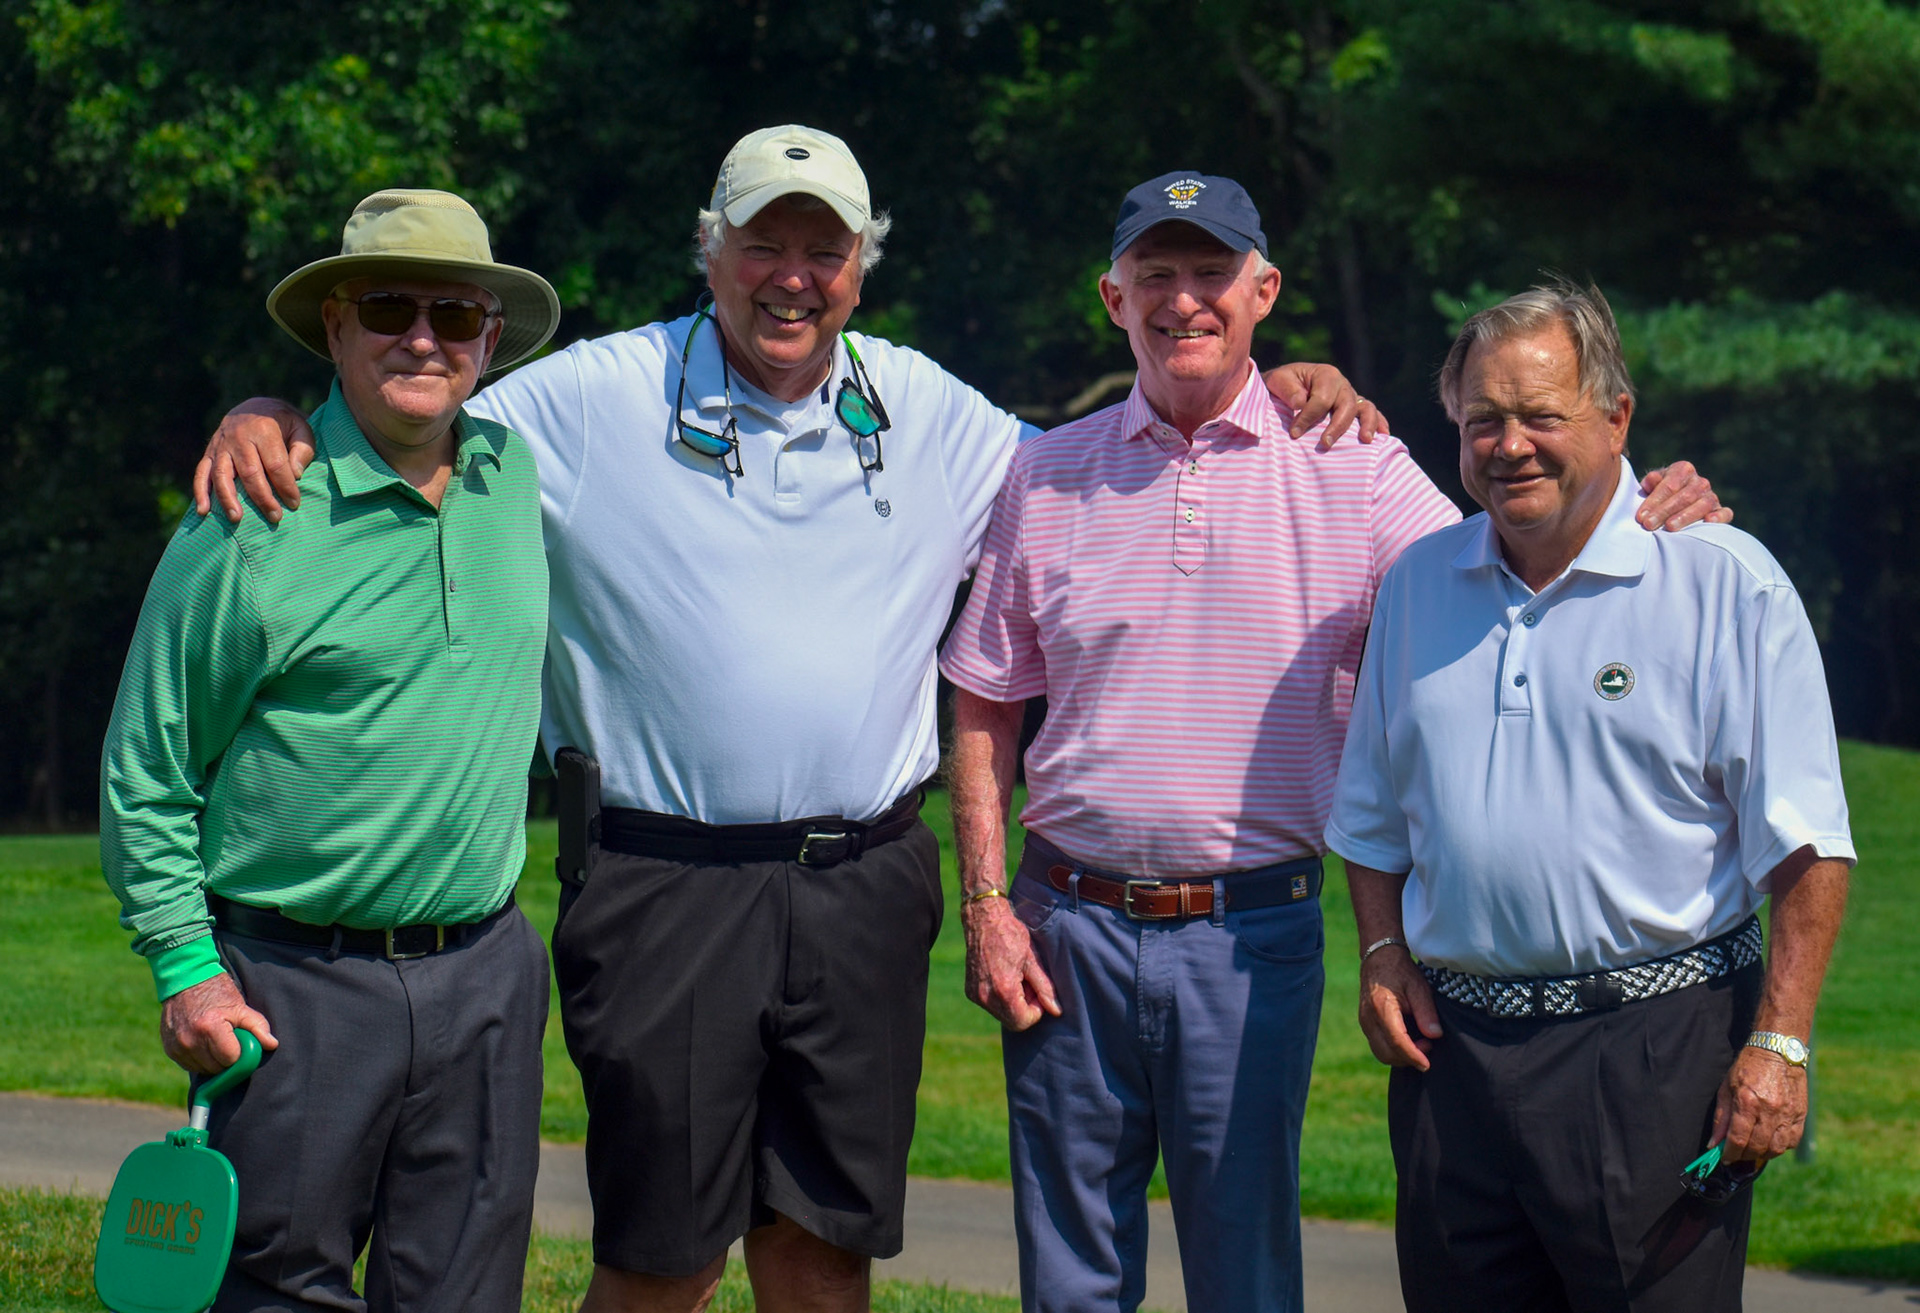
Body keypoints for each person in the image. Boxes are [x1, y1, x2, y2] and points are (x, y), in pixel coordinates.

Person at [187, 127, 1386, 1313]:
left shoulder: (925, 407)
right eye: (766, 243)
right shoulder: (593, 396)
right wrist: (270, 410)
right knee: (665, 1261)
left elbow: (1110, 474)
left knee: (823, 1254)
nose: (795, 276)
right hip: (665, 884)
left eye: (826, 248)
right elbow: (413, 402)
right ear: (712, 252)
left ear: (862, 266)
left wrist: (1272, 392)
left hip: (863, 884)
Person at [939, 181, 1728, 1313]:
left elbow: (1514, 555)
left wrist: (1658, 497)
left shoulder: (1350, 460)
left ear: (1262, 291)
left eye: (1211, 273)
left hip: (1250, 928)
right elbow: (984, 699)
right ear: (1114, 297)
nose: (1183, 300)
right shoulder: (1047, 471)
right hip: (1062, 924)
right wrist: (985, 902)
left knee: (1245, 1270)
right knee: (1068, 1272)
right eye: (1154, 275)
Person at [1326, 281, 1854, 1313]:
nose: (1509, 444)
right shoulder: (1419, 583)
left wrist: (1780, 1043)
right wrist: (1383, 949)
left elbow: (1807, 846)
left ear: (1616, 417)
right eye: (1483, 421)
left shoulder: (1720, 581)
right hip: (1455, 1061)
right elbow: (1373, 813)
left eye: (1540, 416)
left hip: (1655, 1051)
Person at [100, 188, 561, 1312]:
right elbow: (145, 768)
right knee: (277, 1290)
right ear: (336, 328)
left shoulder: (517, 474)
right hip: (294, 983)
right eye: (389, 307)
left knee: (466, 1293)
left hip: (487, 970)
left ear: (489, 338)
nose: (423, 337)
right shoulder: (248, 517)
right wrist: (184, 968)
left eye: (455, 315)